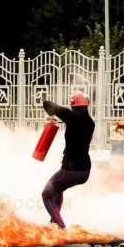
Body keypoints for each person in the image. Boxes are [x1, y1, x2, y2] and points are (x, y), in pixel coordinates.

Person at [41, 92, 95, 228]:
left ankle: (60, 227)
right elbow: (76, 128)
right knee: (58, 189)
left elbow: (47, 104)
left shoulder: (72, 117)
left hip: (70, 171)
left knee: (46, 194)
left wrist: (52, 116)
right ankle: (53, 223)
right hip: (85, 171)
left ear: (73, 106)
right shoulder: (90, 122)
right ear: (87, 105)